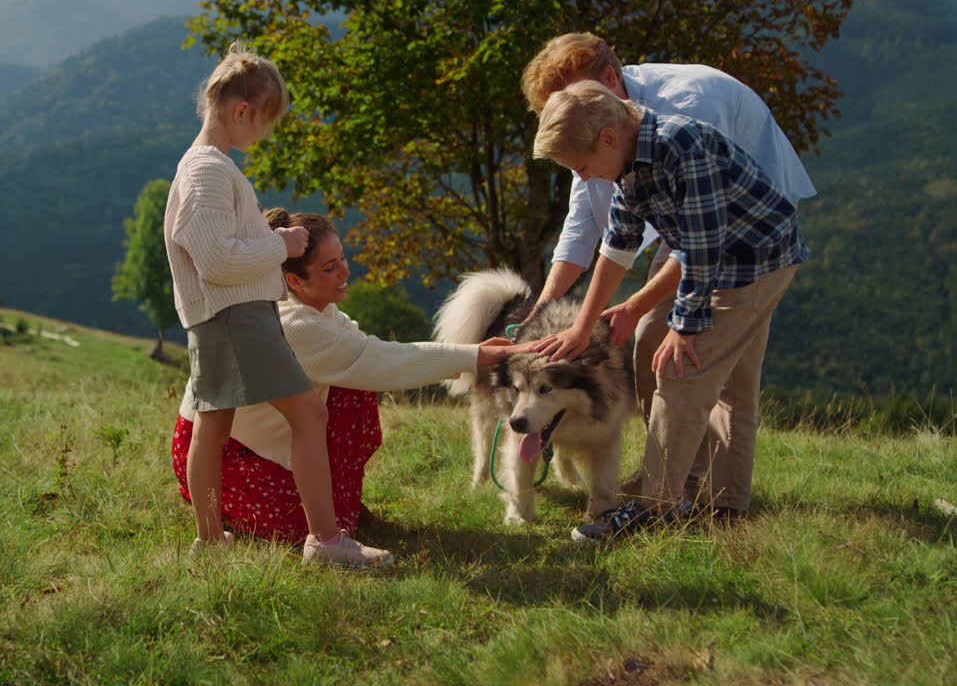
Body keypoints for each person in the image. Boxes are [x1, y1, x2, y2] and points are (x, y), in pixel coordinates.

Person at [521, 32, 816, 507]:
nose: (581, 178)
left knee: (681, 370)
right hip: (715, 247)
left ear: (608, 136)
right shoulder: (626, 154)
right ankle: (723, 503)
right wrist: (579, 325)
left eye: (581, 167)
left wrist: (685, 326)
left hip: (753, 260)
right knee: (712, 373)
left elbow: (703, 251)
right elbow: (615, 247)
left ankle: (655, 505)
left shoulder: (684, 139)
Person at [172, 209, 535, 544]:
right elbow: (378, 359)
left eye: (342, 257)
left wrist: (476, 354)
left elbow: (365, 349)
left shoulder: (317, 311)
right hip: (224, 453)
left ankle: (342, 511)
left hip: (260, 441)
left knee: (354, 385)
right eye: (330, 267)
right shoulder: (293, 322)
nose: (345, 271)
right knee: (297, 526)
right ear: (294, 280)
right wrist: (477, 355)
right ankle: (312, 519)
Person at [164, 43, 391, 567]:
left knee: (212, 425)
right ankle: (328, 542)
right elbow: (216, 259)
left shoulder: (200, 167)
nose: (262, 136)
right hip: (237, 316)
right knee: (309, 415)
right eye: (263, 123)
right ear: (241, 111)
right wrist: (282, 247)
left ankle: (210, 539)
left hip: (215, 317)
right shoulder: (209, 171)